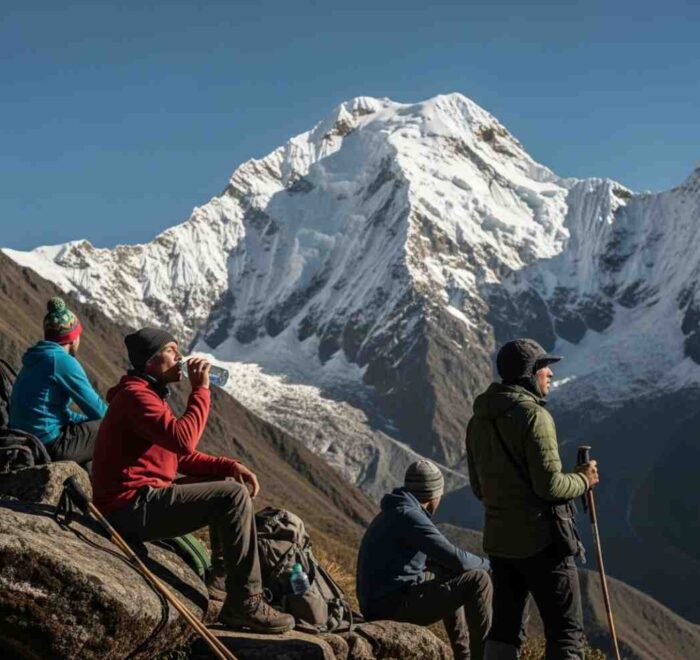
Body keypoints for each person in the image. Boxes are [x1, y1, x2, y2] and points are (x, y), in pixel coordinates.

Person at [90, 327, 294, 634]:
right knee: (232, 498)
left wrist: (228, 465)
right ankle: (245, 601)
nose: (180, 357)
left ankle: (222, 583)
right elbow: (184, 441)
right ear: (150, 361)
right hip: (128, 508)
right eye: (172, 350)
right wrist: (201, 389)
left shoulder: (146, 394)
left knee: (228, 485)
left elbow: (175, 456)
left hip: (139, 501)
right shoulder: (136, 397)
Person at [465, 338, 600, 660]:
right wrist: (584, 479)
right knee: (566, 634)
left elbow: (478, 488)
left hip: (499, 543)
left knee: (505, 630)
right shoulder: (534, 417)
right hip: (543, 542)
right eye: (543, 367)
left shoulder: (478, 420)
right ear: (529, 375)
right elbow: (550, 487)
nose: (550, 374)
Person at [356, 460, 493, 660]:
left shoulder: (396, 509)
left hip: (378, 602)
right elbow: (458, 559)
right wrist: (490, 564)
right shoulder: (409, 516)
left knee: (448, 569)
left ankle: (463, 655)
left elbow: (446, 561)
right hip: (390, 608)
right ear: (433, 494)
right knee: (479, 580)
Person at [9, 297, 107, 470]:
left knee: (90, 452)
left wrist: (82, 422)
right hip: (49, 444)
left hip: (30, 441)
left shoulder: (37, 357)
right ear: (72, 338)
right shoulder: (60, 361)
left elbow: (52, 410)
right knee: (113, 425)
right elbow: (99, 410)